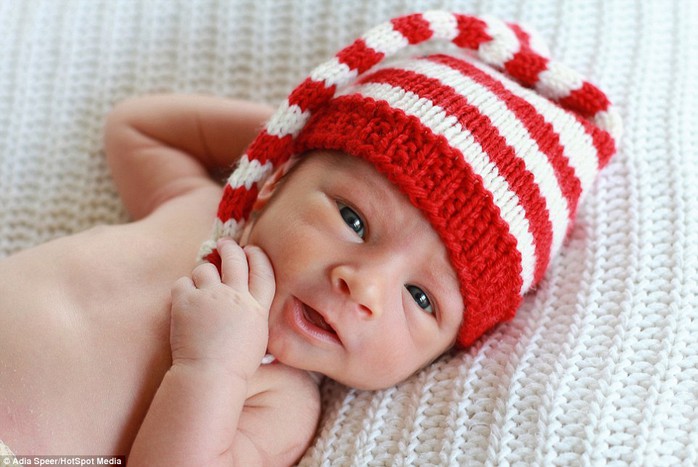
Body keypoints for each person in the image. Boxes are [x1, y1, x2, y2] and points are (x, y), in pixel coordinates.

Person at [0, 11, 620, 466]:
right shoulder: (203, 208)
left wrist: (210, 367)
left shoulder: (277, 397)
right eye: (353, 219)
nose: (365, 285)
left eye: (422, 298)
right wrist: (292, 140)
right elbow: (137, 127)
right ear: (273, 181)